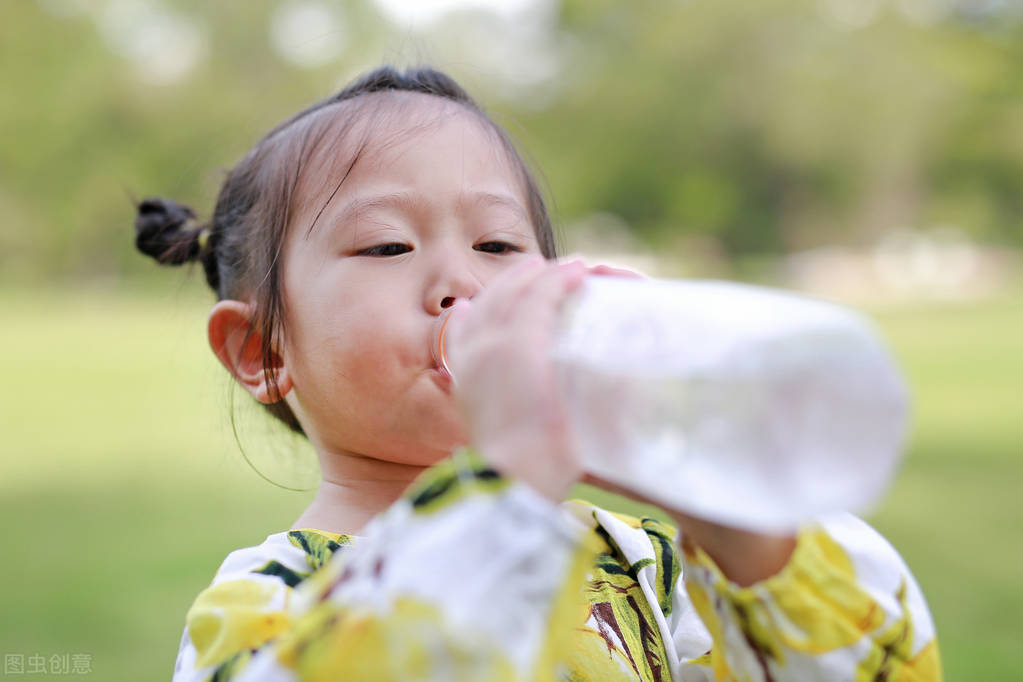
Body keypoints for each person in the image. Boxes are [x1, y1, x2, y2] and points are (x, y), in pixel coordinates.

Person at [136, 65, 942, 681]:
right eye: (387, 246)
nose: (464, 283)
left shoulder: (646, 569)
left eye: (498, 247)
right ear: (262, 350)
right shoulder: (266, 602)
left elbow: (881, 662)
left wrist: (734, 520)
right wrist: (509, 480)